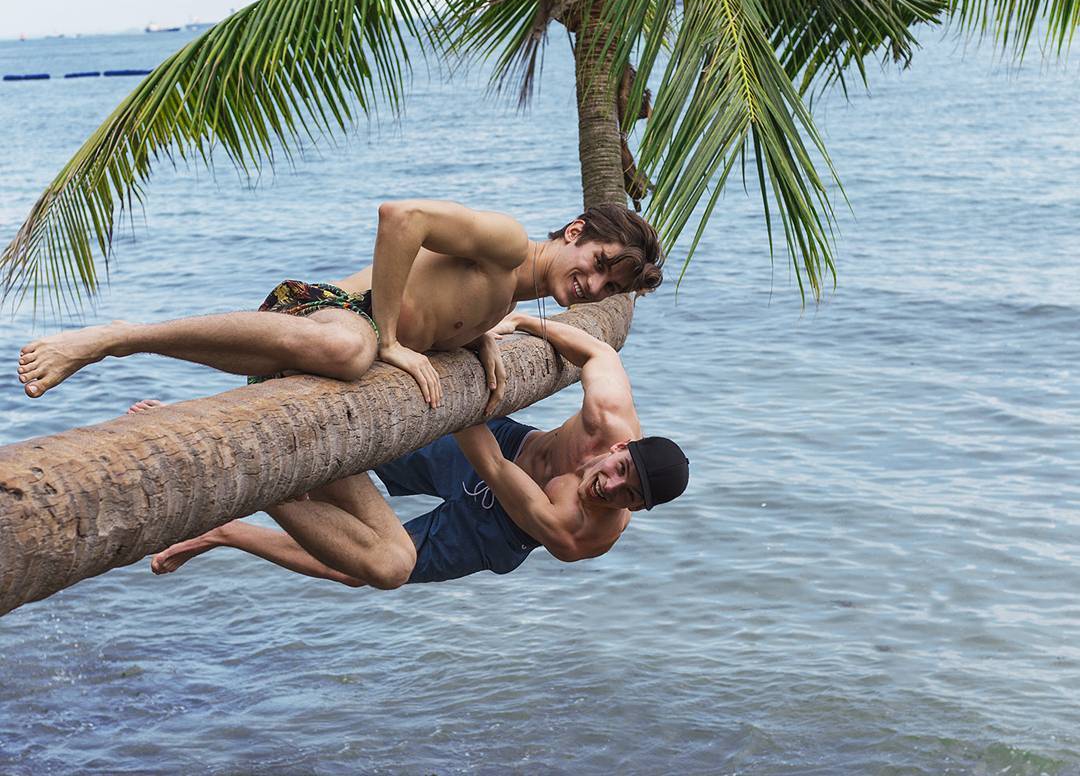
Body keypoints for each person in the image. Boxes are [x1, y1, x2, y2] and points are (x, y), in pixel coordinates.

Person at [148, 312, 690, 586]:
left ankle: (227, 527)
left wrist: (451, 395)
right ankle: (203, 419)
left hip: (495, 527)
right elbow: (598, 352)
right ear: (622, 445)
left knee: (367, 569)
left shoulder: (583, 535)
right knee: (352, 425)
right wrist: (524, 322)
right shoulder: (611, 415)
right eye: (622, 469)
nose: (612, 486)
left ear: (637, 510)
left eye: (629, 496)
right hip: (509, 443)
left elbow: (497, 474)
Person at [17, 200, 662, 410]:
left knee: (386, 562)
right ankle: (114, 338)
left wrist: (481, 338)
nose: (593, 286)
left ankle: (166, 406)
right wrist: (388, 340)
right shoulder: (503, 241)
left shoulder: (504, 295)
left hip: (316, 343)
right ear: (575, 232)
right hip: (322, 311)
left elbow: (445, 302)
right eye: (600, 264)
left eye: (610, 288)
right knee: (353, 350)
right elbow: (399, 217)